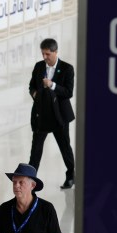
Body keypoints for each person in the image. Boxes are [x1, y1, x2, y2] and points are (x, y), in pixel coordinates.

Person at [28, 38, 76, 189]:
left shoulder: (67, 68)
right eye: (43, 53)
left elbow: (68, 92)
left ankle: (71, 175)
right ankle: (30, 179)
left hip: (59, 116)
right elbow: (31, 86)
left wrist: (52, 85)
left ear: (55, 52)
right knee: (36, 149)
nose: (44, 57)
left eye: (47, 54)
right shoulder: (38, 66)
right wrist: (35, 94)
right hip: (41, 115)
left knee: (65, 148)